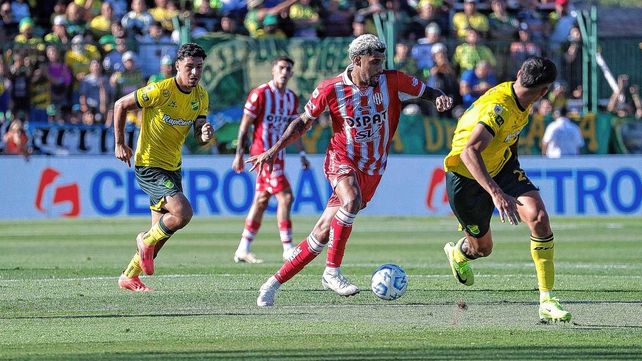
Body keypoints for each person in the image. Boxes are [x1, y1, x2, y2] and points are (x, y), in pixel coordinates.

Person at [249, 34, 452, 307]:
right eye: (374, 62)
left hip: (373, 168)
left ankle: (271, 284)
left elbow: (428, 91)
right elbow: (303, 122)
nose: (380, 67)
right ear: (357, 61)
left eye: (382, 61)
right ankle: (332, 272)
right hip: (341, 159)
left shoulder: (393, 80)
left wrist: (439, 97)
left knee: (321, 232)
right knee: (351, 200)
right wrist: (274, 150)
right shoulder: (330, 89)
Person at [442, 57, 572, 323]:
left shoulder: (520, 97)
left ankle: (547, 299)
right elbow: (469, 152)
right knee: (482, 249)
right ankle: (458, 253)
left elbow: (511, 135)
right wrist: (497, 193)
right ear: (544, 91)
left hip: (501, 166)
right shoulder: (498, 108)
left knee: (538, 217)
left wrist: (512, 168)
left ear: (520, 73)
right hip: (465, 178)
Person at [114, 43, 213, 292]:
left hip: (173, 167)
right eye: (189, 67)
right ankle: (143, 239)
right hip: (149, 164)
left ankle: (129, 276)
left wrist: (205, 133)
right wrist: (120, 143)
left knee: (161, 236)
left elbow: (199, 134)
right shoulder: (160, 90)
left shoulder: (201, 96)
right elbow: (120, 105)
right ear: (177, 65)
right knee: (183, 213)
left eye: (199, 67)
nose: (194, 72)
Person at [232, 56, 310, 264]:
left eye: (288, 69)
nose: (284, 72)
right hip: (262, 155)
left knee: (261, 200)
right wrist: (239, 153)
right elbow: (245, 125)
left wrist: (302, 154)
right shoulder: (260, 94)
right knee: (285, 197)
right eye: (281, 68)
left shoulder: (291, 98)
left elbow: (295, 130)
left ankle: (242, 249)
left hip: (280, 156)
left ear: (291, 74)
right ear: (273, 70)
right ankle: (287, 248)